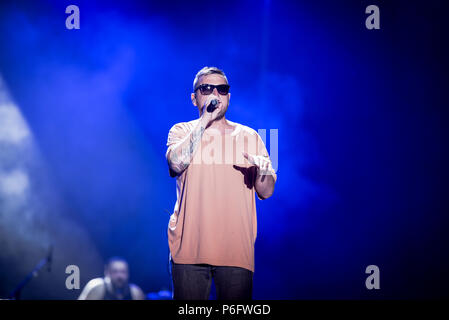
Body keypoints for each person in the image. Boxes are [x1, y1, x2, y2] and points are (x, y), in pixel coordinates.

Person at [165, 66, 277, 300]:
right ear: (194, 98)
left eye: (222, 89)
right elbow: (175, 164)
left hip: (236, 253)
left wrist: (265, 170)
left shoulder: (251, 136)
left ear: (228, 96)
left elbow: (266, 191)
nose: (215, 94)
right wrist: (205, 119)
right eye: (207, 89)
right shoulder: (181, 131)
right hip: (189, 252)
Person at [78, 257, 145, 300]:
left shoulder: (135, 292)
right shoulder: (97, 288)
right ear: (107, 273)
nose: (119, 276)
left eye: (123, 272)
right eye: (115, 271)